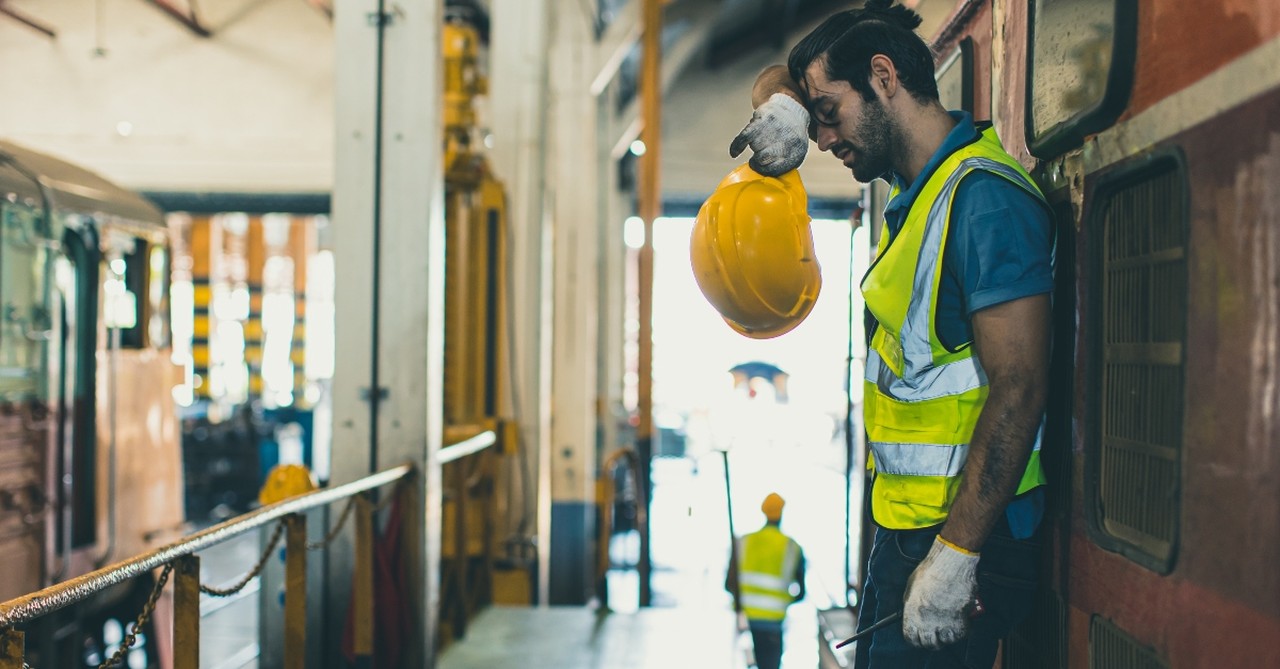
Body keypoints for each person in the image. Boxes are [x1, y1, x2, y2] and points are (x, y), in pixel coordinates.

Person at [727, 1, 1054, 666]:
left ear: (883, 76)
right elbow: (777, 74)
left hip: (959, 540)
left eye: (825, 112)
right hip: (909, 532)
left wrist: (956, 555)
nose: (820, 139)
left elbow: (1020, 387)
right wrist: (784, 103)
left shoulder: (982, 200)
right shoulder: (918, 197)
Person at [726, 493, 806, 669]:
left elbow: (729, 584)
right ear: (781, 514)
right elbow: (801, 593)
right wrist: (783, 602)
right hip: (773, 624)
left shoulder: (743, 542)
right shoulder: (792, 547)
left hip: (745, 622)